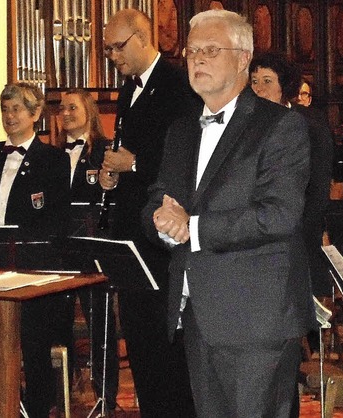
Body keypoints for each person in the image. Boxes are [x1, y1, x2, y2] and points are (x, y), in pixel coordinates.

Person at [142, 10, 315, 417]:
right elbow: (158, 198)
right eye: (191, 52)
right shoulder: (182, 129)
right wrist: (162, 223)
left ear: (243, 59)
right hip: (198, 313)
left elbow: (279, 215)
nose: (197, 59)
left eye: (210, 50)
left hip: (257, 317)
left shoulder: (281, 126)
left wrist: (193, 229)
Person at [99, 9, 196, 417]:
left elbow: (183, 156)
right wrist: (113, 176)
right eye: (106, 50)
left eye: (118, 47)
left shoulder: (177, 83)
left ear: (142, 37)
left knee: (164, 343)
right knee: (138, 339)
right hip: (130, 231)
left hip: (160, 237)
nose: (112, 56)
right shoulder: (127, 89)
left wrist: (132, 165)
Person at [0, 83, 71, 418]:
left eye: (16, 110)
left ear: (35, 114)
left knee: (34, 344)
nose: (9, 117)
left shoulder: (53, 159)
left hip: (31, 266)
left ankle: (36, 407)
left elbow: (56, 215)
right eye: (5, 110)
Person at [250, 50, 333, 418]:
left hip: (291, 247)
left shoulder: (305, 126)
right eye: (253, 81)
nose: (258, 88)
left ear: (285, 87)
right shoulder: (247, 126)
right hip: (255, 252)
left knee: (283, 356)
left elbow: (314, 197)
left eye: (267, 81)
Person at [57, 89, 119, 412]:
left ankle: (105, 398)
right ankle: (62, 395)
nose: (65, 113)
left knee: (100, 326)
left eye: (72, 107)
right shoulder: (51, 155)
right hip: (59, 253)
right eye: (62, 108)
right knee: (58, 324)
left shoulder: (106, 152)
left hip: (93, 251)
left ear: (89, 111)